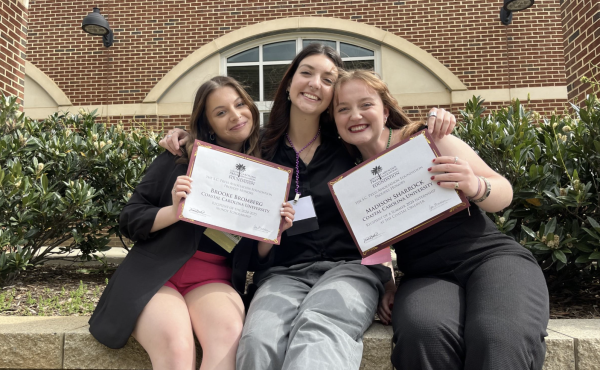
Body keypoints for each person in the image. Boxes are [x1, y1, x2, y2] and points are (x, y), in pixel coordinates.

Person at [160, 44, 456, 370]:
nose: (316, 83)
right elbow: (217, 149)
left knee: (318, 330)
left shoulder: (350, 143)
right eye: (307, 73)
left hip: (349, 270)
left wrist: (387, 280)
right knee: (258, 340)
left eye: (328, 79)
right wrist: (183, 137)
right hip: (281, 274)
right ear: (289, 83)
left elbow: (379, 197)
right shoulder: (260, 149)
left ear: (334, 96)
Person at [332, 69, 549, 370]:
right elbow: (376, 244)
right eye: (343, 109)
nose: (355, 115)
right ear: (335, 120)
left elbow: (504, 193)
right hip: (426, 275)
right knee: (424, 335)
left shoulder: (428, 140)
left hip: (489, 258)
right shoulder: (351, 178)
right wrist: (388, 284)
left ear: (385, 108)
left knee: (496, 336)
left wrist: (474, 185)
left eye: (365, 104)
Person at [89, 76, 295, 370]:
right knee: (177, 348)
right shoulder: (180, 157)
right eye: (220, 112)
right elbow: (130, 218)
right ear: (208, 123)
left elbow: (254, 263)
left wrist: (271, 233)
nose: (236, 116)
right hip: (156, 275)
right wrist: (174, 211)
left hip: (214, 279)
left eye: (239, 104)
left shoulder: (266, 168)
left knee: (229, 341)